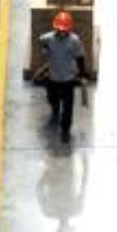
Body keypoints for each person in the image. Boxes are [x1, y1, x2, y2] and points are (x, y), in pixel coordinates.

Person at [40, 11, 87, 143]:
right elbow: (40, 40)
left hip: (68, 79)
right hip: (53, 77)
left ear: (69, 28)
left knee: (68, 106)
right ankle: (55, 108)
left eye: (64, 29)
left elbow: (80, 57)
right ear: (55, 28)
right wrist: (45, 50)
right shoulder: (48, 38)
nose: (62, 32)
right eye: (59, 29)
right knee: (52, 98)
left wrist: (82, 74)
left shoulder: (74, 41)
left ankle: (65, 129)